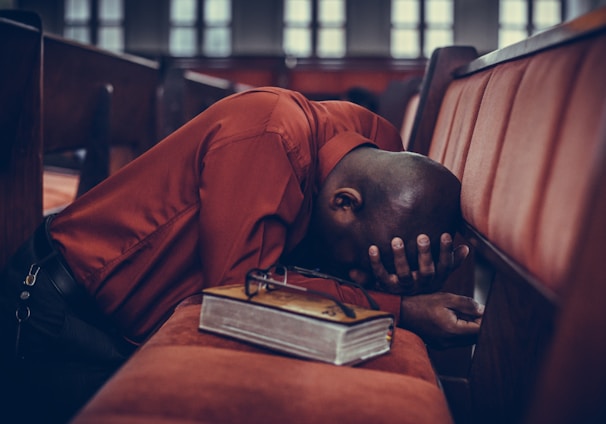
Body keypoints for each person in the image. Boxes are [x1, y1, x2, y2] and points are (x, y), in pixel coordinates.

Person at [0, 87, 482, 423]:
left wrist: (400, 279)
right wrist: (400, 309)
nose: (357, 276)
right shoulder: (270, 137)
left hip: (127, 327)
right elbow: (240, 295)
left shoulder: (373, 146)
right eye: (357, 263)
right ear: (344, 203)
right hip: (54, 316)